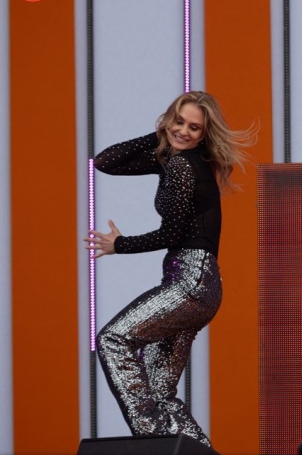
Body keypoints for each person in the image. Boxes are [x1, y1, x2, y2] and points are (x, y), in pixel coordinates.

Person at [84, 91, 250, 447]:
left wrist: (120, 245)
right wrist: (161, 134)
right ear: (168, 119)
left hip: (190, 282)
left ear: (204, 135)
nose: (185, 132)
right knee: (161, 392)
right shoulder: (175, 159)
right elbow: (105, 161)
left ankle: (155, 445)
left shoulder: (182, 166)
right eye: (179, 122)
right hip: (201, 286)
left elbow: (171, 232)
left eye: (194, 128)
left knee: (112, 340)